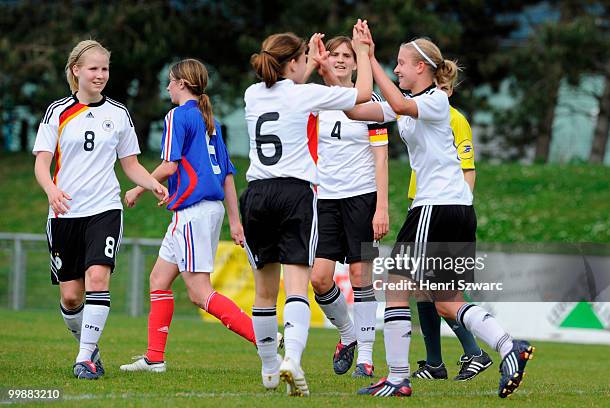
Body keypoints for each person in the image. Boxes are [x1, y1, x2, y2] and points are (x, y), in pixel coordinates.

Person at [345, 23, 535, 398]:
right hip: (454, 209)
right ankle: (507, 346)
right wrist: (362, 58)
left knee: (396, 286)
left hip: (437, 208)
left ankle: (398, 377)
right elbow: (355, 108)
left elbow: (398, 104)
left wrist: (369, 56)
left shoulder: (435, 100)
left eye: (401, 63)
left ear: (423, 68)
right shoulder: (411, 104)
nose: (397, 69)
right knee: (447, 302)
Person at [242, 24, 372, 396]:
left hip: (257, 193)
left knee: (264, 292)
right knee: (297, 286)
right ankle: (293, 361)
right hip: (295, 194)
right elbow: (361, 95)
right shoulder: (305, 96)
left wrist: (309, 63)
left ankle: (268, 369)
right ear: (294, 63)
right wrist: (362, 51)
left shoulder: (252, 95)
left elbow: (289, 85)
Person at [33, 40, 168, 380]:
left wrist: (151, 183)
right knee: (71, 296)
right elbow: (42, 163)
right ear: (76, 70)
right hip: (65, 213)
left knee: (97, 278)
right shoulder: (57, 112)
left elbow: (131, 164)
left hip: (105, 209)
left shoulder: (119, 114)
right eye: (93, 68)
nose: (100, 75)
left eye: (105, 69)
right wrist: (51, 190)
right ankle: (90, 347)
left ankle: (85, 360)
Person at [119, 59, 258, 373]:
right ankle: (154, 359)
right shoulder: (210, 120)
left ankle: (261, 336)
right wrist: (235, 222)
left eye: (170, 81)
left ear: (182, 83)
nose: (167, 87)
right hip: (205, 211)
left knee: (199, 292)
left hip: (192, 212)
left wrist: (140, 189)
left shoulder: (178, 116)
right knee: (158, 279)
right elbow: (227, 176)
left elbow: (169, 166)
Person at [309, 35, 389, 379]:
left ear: (357, 63)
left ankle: (366, 359)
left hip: (362, 197)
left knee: (360, 276)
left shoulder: (370, 101)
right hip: (325, 199)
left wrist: (381, 207)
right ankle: (348, 335)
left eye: (347, 55)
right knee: (319, 278)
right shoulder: (318, 101)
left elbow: (381, 156)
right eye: (336, 55)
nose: (341, 60)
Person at [409, 84, 493, 381]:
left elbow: (467, 168)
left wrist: (459, 209)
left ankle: (475, 352)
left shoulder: (454, 118)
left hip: (446, 210)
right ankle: (434, 363)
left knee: (443, 289)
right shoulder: (419, 115)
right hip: (424, 205)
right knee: (422, 287)